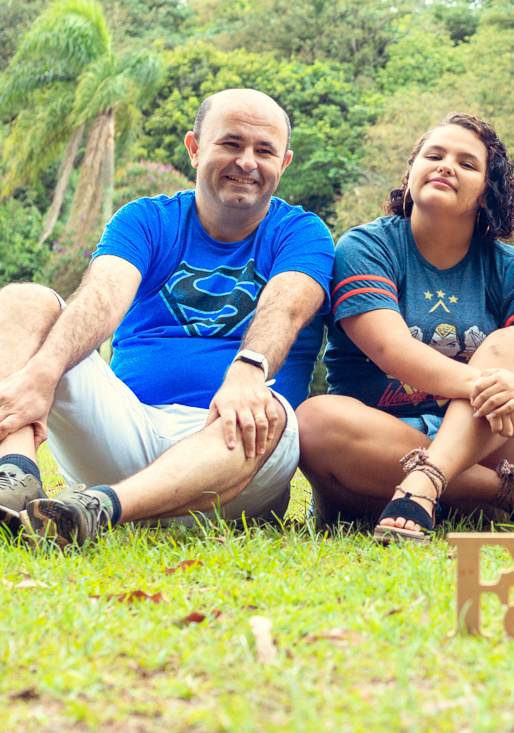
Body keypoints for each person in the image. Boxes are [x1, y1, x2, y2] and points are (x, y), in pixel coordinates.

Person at [0, 88, 334, 547]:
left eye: (264, 151)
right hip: (126, 430)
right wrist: (43, 372)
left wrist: (249, 369)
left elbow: (287, 304)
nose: (247, 162)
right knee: (24, 300)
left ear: (285, 163)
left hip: (235, 459)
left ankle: (98, 511)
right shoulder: (146, 219)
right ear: (195, 149)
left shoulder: (302, 231)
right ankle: (14, 477)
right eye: (231, 144)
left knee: (271, 408)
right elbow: (104, 295)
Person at [296, 113, 514, 545]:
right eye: (435, 155)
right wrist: (494, 388)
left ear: (488, 191)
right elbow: (392, 350)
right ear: (410, 175)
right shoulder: (367, 247)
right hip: (375, 456)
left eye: (467, 163)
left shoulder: (513, 268)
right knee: (313, 420)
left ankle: (424, 486)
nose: (446, 165)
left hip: (480, 444)